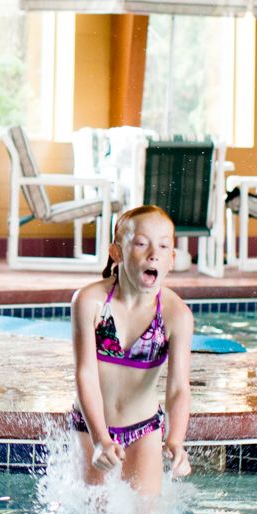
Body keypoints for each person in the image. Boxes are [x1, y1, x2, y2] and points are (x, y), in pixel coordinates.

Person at [69, 205, 194, 497]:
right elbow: (85, 374)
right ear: (117, 252)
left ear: (172, 259)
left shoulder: (177, 316)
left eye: (164, 246)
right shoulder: (90, 302)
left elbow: (178, 388)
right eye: (141, 243)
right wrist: (101, 438)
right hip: (90, 425)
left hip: (144, 428)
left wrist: (175, 440)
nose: (153, 253)